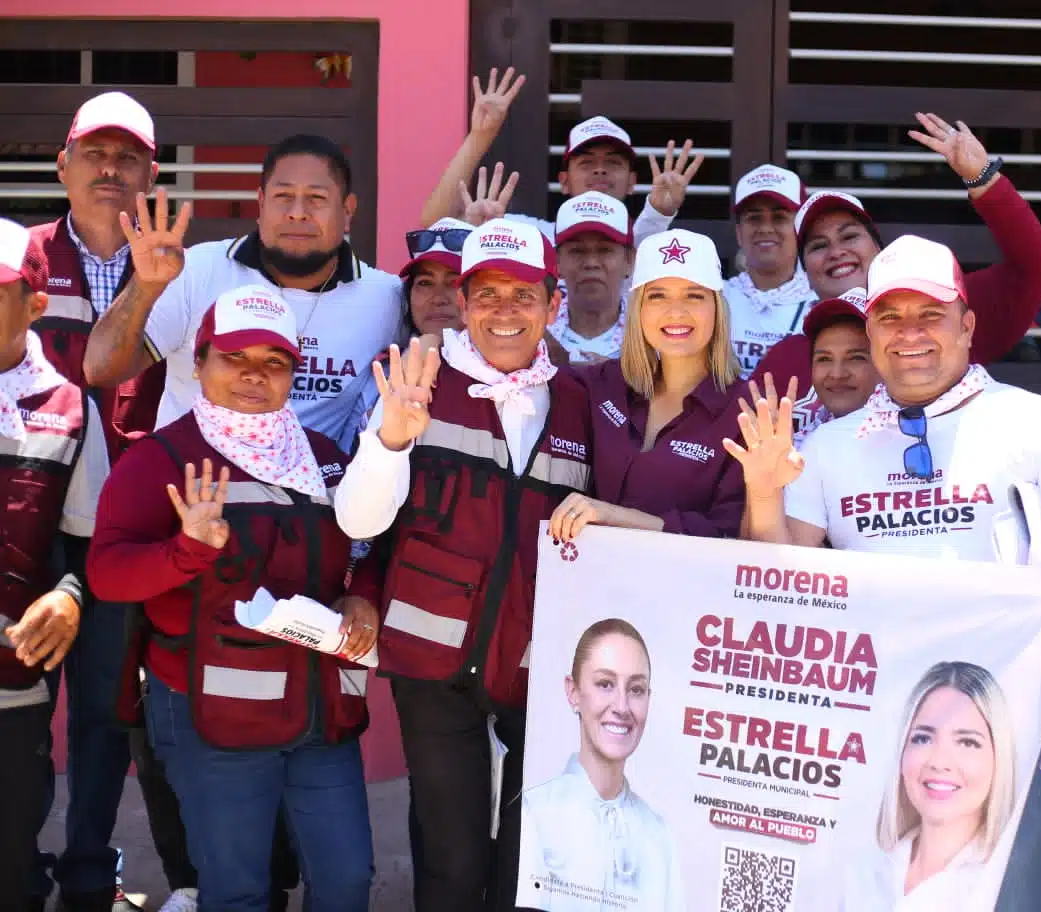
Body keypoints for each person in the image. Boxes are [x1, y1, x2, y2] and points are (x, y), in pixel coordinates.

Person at [727, 233, 1041, 912]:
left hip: (1004, 733)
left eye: (929, 314)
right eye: (890, 318)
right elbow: (776, 587)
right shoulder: (829, 447)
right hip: (873, 736)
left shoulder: (1034, 422)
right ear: (870, 330)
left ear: (967, 324)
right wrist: (763, 490)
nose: (910, 335)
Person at [86, 285, 378, 912]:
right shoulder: (160, 460)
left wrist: (364, 598)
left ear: (293, 374)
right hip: (208, 710)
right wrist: (185, 552)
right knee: (238, 889)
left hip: (318, 709)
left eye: (273, 362)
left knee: (347, 880)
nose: (253, 375)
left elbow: (369, 548)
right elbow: (108, 575)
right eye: (233, 356)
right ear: (199, 363)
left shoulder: (324, 459)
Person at [334, 218, 593, 911]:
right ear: (463, 301)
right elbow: (359, 522)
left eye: (524, 295)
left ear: (554, 304)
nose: (504, 312)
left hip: (536, 663)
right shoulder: (417, 380)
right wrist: (391, 439)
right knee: (451, 857)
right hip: (430, 662)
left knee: (528, 856)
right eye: (486, 294)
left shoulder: (580, 400)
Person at [27, 89, 166, 912]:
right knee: (19, 707)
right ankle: (17, 857)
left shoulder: (181, 267)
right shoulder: (23, 256)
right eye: (95, 154)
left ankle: (86, 870)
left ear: (151, 171)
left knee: (106, 712)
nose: (110, 170)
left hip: (123, 532)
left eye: (127, 158)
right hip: (29, 522)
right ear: (63, 166)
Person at [83, 133, 405, 449]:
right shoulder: (197, 269)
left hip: (313, 495)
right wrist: (145, 286)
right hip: (191, 483)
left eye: (316, 199)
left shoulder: (385, 298)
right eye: (283, 196)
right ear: (261, 202)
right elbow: (100, 370)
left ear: (348, 210)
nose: (297, 212)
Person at [753, 113, 1041, 438]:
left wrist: (984, 180)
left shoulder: (947, 309)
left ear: (879, 250)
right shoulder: (786, 357)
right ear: (805, 271)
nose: (836, 251)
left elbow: (1032, 264)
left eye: (849, 236)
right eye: (818, 245)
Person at [0, 219, 109, 912]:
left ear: (35, 304)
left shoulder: (70, 410)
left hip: (12, 690)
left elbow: (90, 543)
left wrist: (69, 596)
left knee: (10, 869)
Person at [548, 229, 745, 541]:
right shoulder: (601, 386)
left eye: (694, 295)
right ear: (638, 309)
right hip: (587, 584)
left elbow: (732, 537)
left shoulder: (744, 412)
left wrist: (614, 516)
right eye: (657, 296)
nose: (676, 312)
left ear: (717, 308)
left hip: (686, 587)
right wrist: (438, 340)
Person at [421, 67, 700, 248]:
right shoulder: (533, 236)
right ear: (564, 181)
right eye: (586, 162)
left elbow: (635, 247)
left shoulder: (648, 244)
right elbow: (434, 227)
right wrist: (480, 137)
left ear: (631, 182)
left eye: (613, 163)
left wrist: (659, 213)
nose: (600, 171)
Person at [517, 618, 684, 912]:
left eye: (636, 689)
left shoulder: (658, 834)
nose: (621, 706)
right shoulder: (533, 815)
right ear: (573, 692)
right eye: (605, 684)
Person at [841, 661, 1017, 912]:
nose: (939, 762)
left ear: (999, 757)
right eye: (922, 738)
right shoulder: (863, 874)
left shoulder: (1005, 885)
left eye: (967, 742)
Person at [723, 164, 814, 377]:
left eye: (779, 217)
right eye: (754, 218)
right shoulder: (716, 297)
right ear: (739, 232)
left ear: (800, 228)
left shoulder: (821, 302)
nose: (765, 228)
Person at [547, 191, 634, 365]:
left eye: (604, 250)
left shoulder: (654, 336)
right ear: (556, 262)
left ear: (629, 261)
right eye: (577, 251)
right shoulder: (532, 334)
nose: (591, 263)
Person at [792, 287, 877, 445]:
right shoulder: (798, 446)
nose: (837, 374)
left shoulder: (911, 437)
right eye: (824, 359)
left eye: (856, 358)